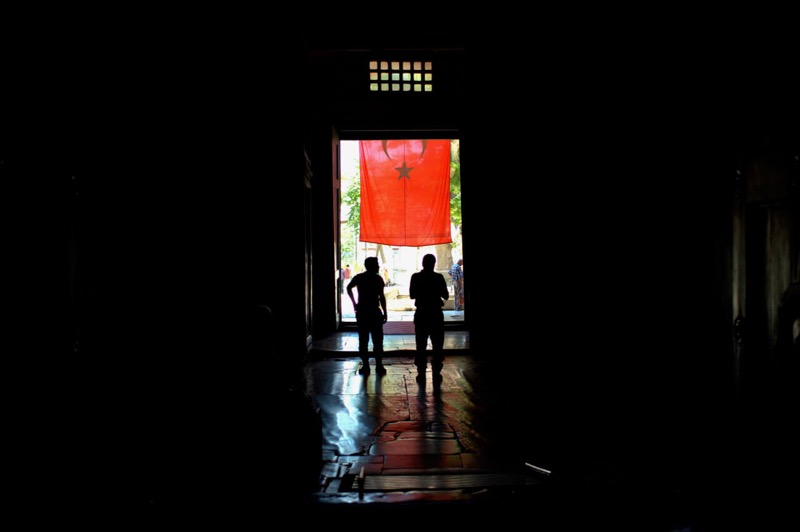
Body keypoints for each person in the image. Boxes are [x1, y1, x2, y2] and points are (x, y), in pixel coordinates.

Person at [409, 253, 449, 382]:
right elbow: (446, 296)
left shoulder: (416, 277)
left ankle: (421, 372)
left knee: (420, 344)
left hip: (421, 313)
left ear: (422, 263)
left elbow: (412, 295)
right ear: (434, 264)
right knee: (437, 344)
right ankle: (436, 371)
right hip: (436, 314)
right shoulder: (438, 277)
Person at [346, 256, 388, 375]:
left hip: (363, 312)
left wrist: (355, 303)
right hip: (375, 311)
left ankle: (366, 366)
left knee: (363, 340)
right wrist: (385, 311)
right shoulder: (378, 279)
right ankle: (379, 366)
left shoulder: (360, 278)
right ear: (372, 266)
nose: (378, 266)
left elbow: (348, 288)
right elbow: (382, 297)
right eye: (377, 264)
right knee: (378, 340)